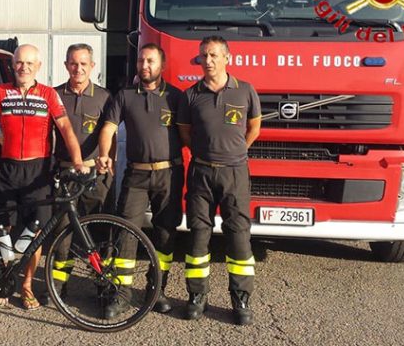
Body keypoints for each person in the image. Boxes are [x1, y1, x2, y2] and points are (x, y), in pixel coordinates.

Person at [0, 44, 88, 312]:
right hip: (8, 169)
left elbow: (66, 129)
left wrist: (78, 161)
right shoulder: (0, 92)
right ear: (13, 65)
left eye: (29, 63)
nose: (23, 67)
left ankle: (26, 285)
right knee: (2, 231)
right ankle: (3, 285)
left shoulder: (48, 94)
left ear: (38, 66)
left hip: (39, 172)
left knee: (34, 231)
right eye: (19, 63)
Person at [97, 43, 188, 318]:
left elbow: (187, 136)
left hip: (169, 173)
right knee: (125, 231)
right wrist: (104, 154)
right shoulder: (124, 95)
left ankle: (156, 289)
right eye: (141, 61)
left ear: (161, 65)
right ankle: (122, 294)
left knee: (165, 233)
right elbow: (108, 128)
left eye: (150, 61)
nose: (144, 65)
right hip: (135, 174)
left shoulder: (176, 97)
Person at [177, 35, 261, 325]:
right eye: (203, 56)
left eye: (213, 55)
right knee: (199, 235)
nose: (208, 61)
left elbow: (254, 128)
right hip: (201, 170)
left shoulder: (245, 91)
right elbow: (186, 134)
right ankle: (197, 296)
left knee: (238, 236)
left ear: (228, 57)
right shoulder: (191, 95)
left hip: (234, 172)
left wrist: (236, 152)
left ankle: (240, 299)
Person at [47, 43, 114, 299]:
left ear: (92, 66)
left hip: (95, 174)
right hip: (64, 174)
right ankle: (59, 287)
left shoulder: (105, 97)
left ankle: (102, 286)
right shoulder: (53, 95)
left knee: (99, 233)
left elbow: (111, 136)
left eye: (84, 63)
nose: (78, 68)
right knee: (61, 236)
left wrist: (109, 172)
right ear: (66, 66)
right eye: (73, 63)